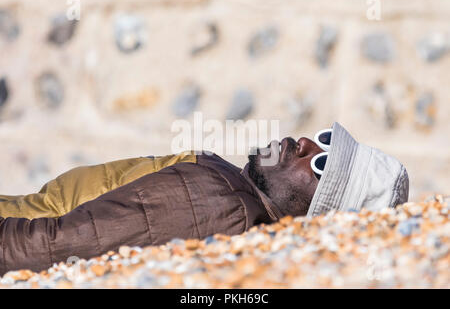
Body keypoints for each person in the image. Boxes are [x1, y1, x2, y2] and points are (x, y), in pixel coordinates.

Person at [0, 122, 409, 275]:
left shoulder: (216, 204)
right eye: (324, 140)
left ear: (318, 214)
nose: (303, 142)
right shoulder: (232, 195)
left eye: (320, 166)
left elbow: (54, 246)